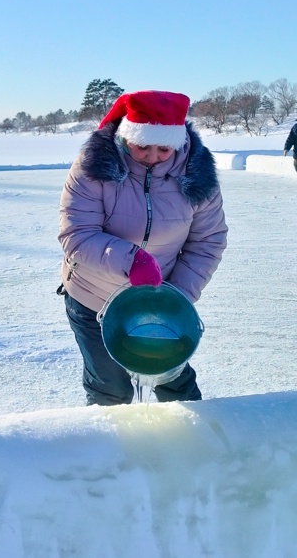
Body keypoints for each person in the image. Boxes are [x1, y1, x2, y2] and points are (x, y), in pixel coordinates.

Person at [58, 91, 228, 405]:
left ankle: (200, 448)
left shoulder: (198, 175)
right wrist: (131, 260)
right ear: (125, 137)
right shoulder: (94, 166)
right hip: (93, 295)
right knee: (110, 390)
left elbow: (208, 240)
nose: (152, 156)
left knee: (176, 387)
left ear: (177, 142)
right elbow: (77, 235)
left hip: (160, 301)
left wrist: (175, 296)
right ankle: (109, 452)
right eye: (142, 147)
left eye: (163, 148)